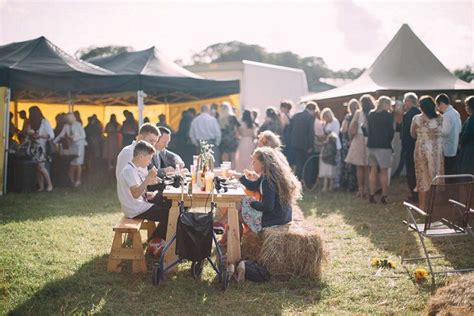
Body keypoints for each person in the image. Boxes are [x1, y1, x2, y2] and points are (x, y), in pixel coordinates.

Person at [117, 140, 169, 244]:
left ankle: (156, 240)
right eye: (149, 158)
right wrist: (147, 180)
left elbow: (138, 191)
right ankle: (154, 242)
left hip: (138, 205)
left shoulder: (134, 169)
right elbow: (135, 194)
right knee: (169, 214)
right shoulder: (128, 171)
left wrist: (146, 194)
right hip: (134, 209)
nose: (150, 162)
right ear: (141, 156)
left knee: (167, 203)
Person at [238, 147, 301, 232]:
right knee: (243, 205)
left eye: (254, 162)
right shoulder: (271, 175)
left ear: (263, 163)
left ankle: (232, 243)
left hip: (274, 220)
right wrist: (241, 177)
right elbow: (254, 186)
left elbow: (267, 206)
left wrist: (251, 203)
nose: (252, 164)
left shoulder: (268, 181)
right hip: (284, 217)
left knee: (237, 214)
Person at [411, 96, 444, 211]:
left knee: (422, 177)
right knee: (435, 177)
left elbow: (412, 133)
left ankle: (422, 207)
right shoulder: (440, 118)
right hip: (436, 150)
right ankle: (434, 208)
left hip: (422, 148)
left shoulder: (417, 119)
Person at [367, 96, 394, 204]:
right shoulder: (388, 116)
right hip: (384, 146)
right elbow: (391, 131)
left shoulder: (371, 114)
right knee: (384, 171)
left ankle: (372, 194)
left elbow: (368, 129)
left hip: (372, 145)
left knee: (373, 170)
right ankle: (384, 195)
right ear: (385, 104)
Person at [346, 96, 373, 198]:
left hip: (358, 139)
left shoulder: (358, 113)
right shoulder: (372, 113)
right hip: (369, 139)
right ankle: (367, 189)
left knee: (359, 167)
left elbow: (352, 128)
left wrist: (350, 138)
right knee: (367, 167)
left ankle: (360, 189)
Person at [25, 106, 54, 191]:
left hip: (42, 148)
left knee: (41, 167)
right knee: (37, 168)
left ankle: (49, 185)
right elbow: (27, 133)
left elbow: (51, 135)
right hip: (33, 148)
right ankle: (41, 186)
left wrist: (40, 136)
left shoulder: (44, 122)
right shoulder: (30, 123)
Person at [54, 112, 87, 187]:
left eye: (68, 119)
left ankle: (78, 180)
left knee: (78, 163)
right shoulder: (66, 126)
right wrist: (54, 141)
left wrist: (74, 138)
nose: (67, 120)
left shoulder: (78, 125)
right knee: (71, 163)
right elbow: (61, 135)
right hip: (71, 146)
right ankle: (71, 180)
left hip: (79, 146)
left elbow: (83, 135)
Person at [435, 93, 462, 177]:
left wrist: (436, 129)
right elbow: (460, 128)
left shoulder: (446, 115)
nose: (438, 108)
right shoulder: (455, 112)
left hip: (447, 147)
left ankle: (448, 188)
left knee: (448, 171)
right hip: (455, 144)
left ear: (442, 104)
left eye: (437, 105)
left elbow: (445, 132)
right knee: (453, 171)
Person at [401, 92, 421, 203]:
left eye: (405, 101)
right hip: (417, 146)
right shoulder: (420, 113)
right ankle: (418, 193)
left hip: (409, 148)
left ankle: (414, 195)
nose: (404, 104)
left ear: (409, 102)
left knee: (411, 172)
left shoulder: (408, 115)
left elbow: (405, 134)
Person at [288, 102, 316, 179]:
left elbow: (290, 130)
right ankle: (307, 182)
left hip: (295, 144)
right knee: (307, 164)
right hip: (305, 145)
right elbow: (311, 133)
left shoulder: (295, 116)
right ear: (312, 109)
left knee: (298, 164)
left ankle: (297, 181)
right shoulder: (310, 117)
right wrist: (311, 146)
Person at [319, 108, 341, 191]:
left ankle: (335, 184)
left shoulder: (335, 122)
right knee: (327, 165)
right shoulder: (326, 123)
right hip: (327, 146)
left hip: (334, 146)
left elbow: (334, 135)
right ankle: (327, 185)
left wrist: (326, 136)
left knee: (334, 164)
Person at [340, 100, 359, 191]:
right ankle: (355, 185)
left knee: (347, 164)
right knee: (356, 165)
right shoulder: (360, 116)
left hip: (347, 142)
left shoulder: (348, 117)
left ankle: (347, 185)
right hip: (357, 142)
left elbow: (343, 129)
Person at [218, 102, 240, 168]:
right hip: (232, 139)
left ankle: (225, 174)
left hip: (223, 140)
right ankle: (232, 172)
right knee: (233, 158)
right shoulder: (233, 117)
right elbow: (237, 128)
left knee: (225, 159)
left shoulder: (219, 118)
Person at [458, 96, 474, 174]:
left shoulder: (471, 119)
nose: (465, 108)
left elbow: (466, 134)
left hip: (470, 150)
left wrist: (460, 141)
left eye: (466, 106)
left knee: (468, 173)